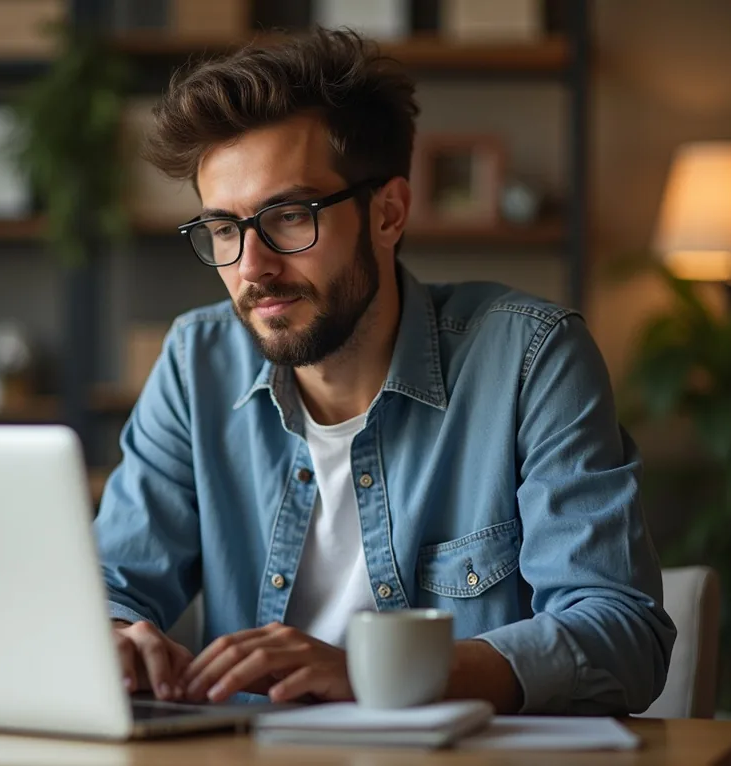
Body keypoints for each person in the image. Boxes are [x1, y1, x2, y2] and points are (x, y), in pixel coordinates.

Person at [93, 28, 675, 715]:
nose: (251, 267)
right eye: (224, 229)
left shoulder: (529, 360)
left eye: (288, 217)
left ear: (389, 213)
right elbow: (112, 586)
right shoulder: (197, 364)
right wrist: (113, 636)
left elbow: (620, 636)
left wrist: (380, 674)